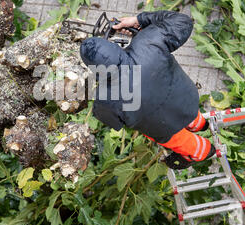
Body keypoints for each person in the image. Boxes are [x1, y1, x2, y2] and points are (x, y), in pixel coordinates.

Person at [79, 10, 215, 170]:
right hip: (187, 98)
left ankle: (203, 151)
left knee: (181, 141)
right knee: (186, 109)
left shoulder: (105, 99)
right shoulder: (148, 41)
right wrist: (140, 20)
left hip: (163, 127)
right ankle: (199, 124)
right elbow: (182, 21)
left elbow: (112, 121)